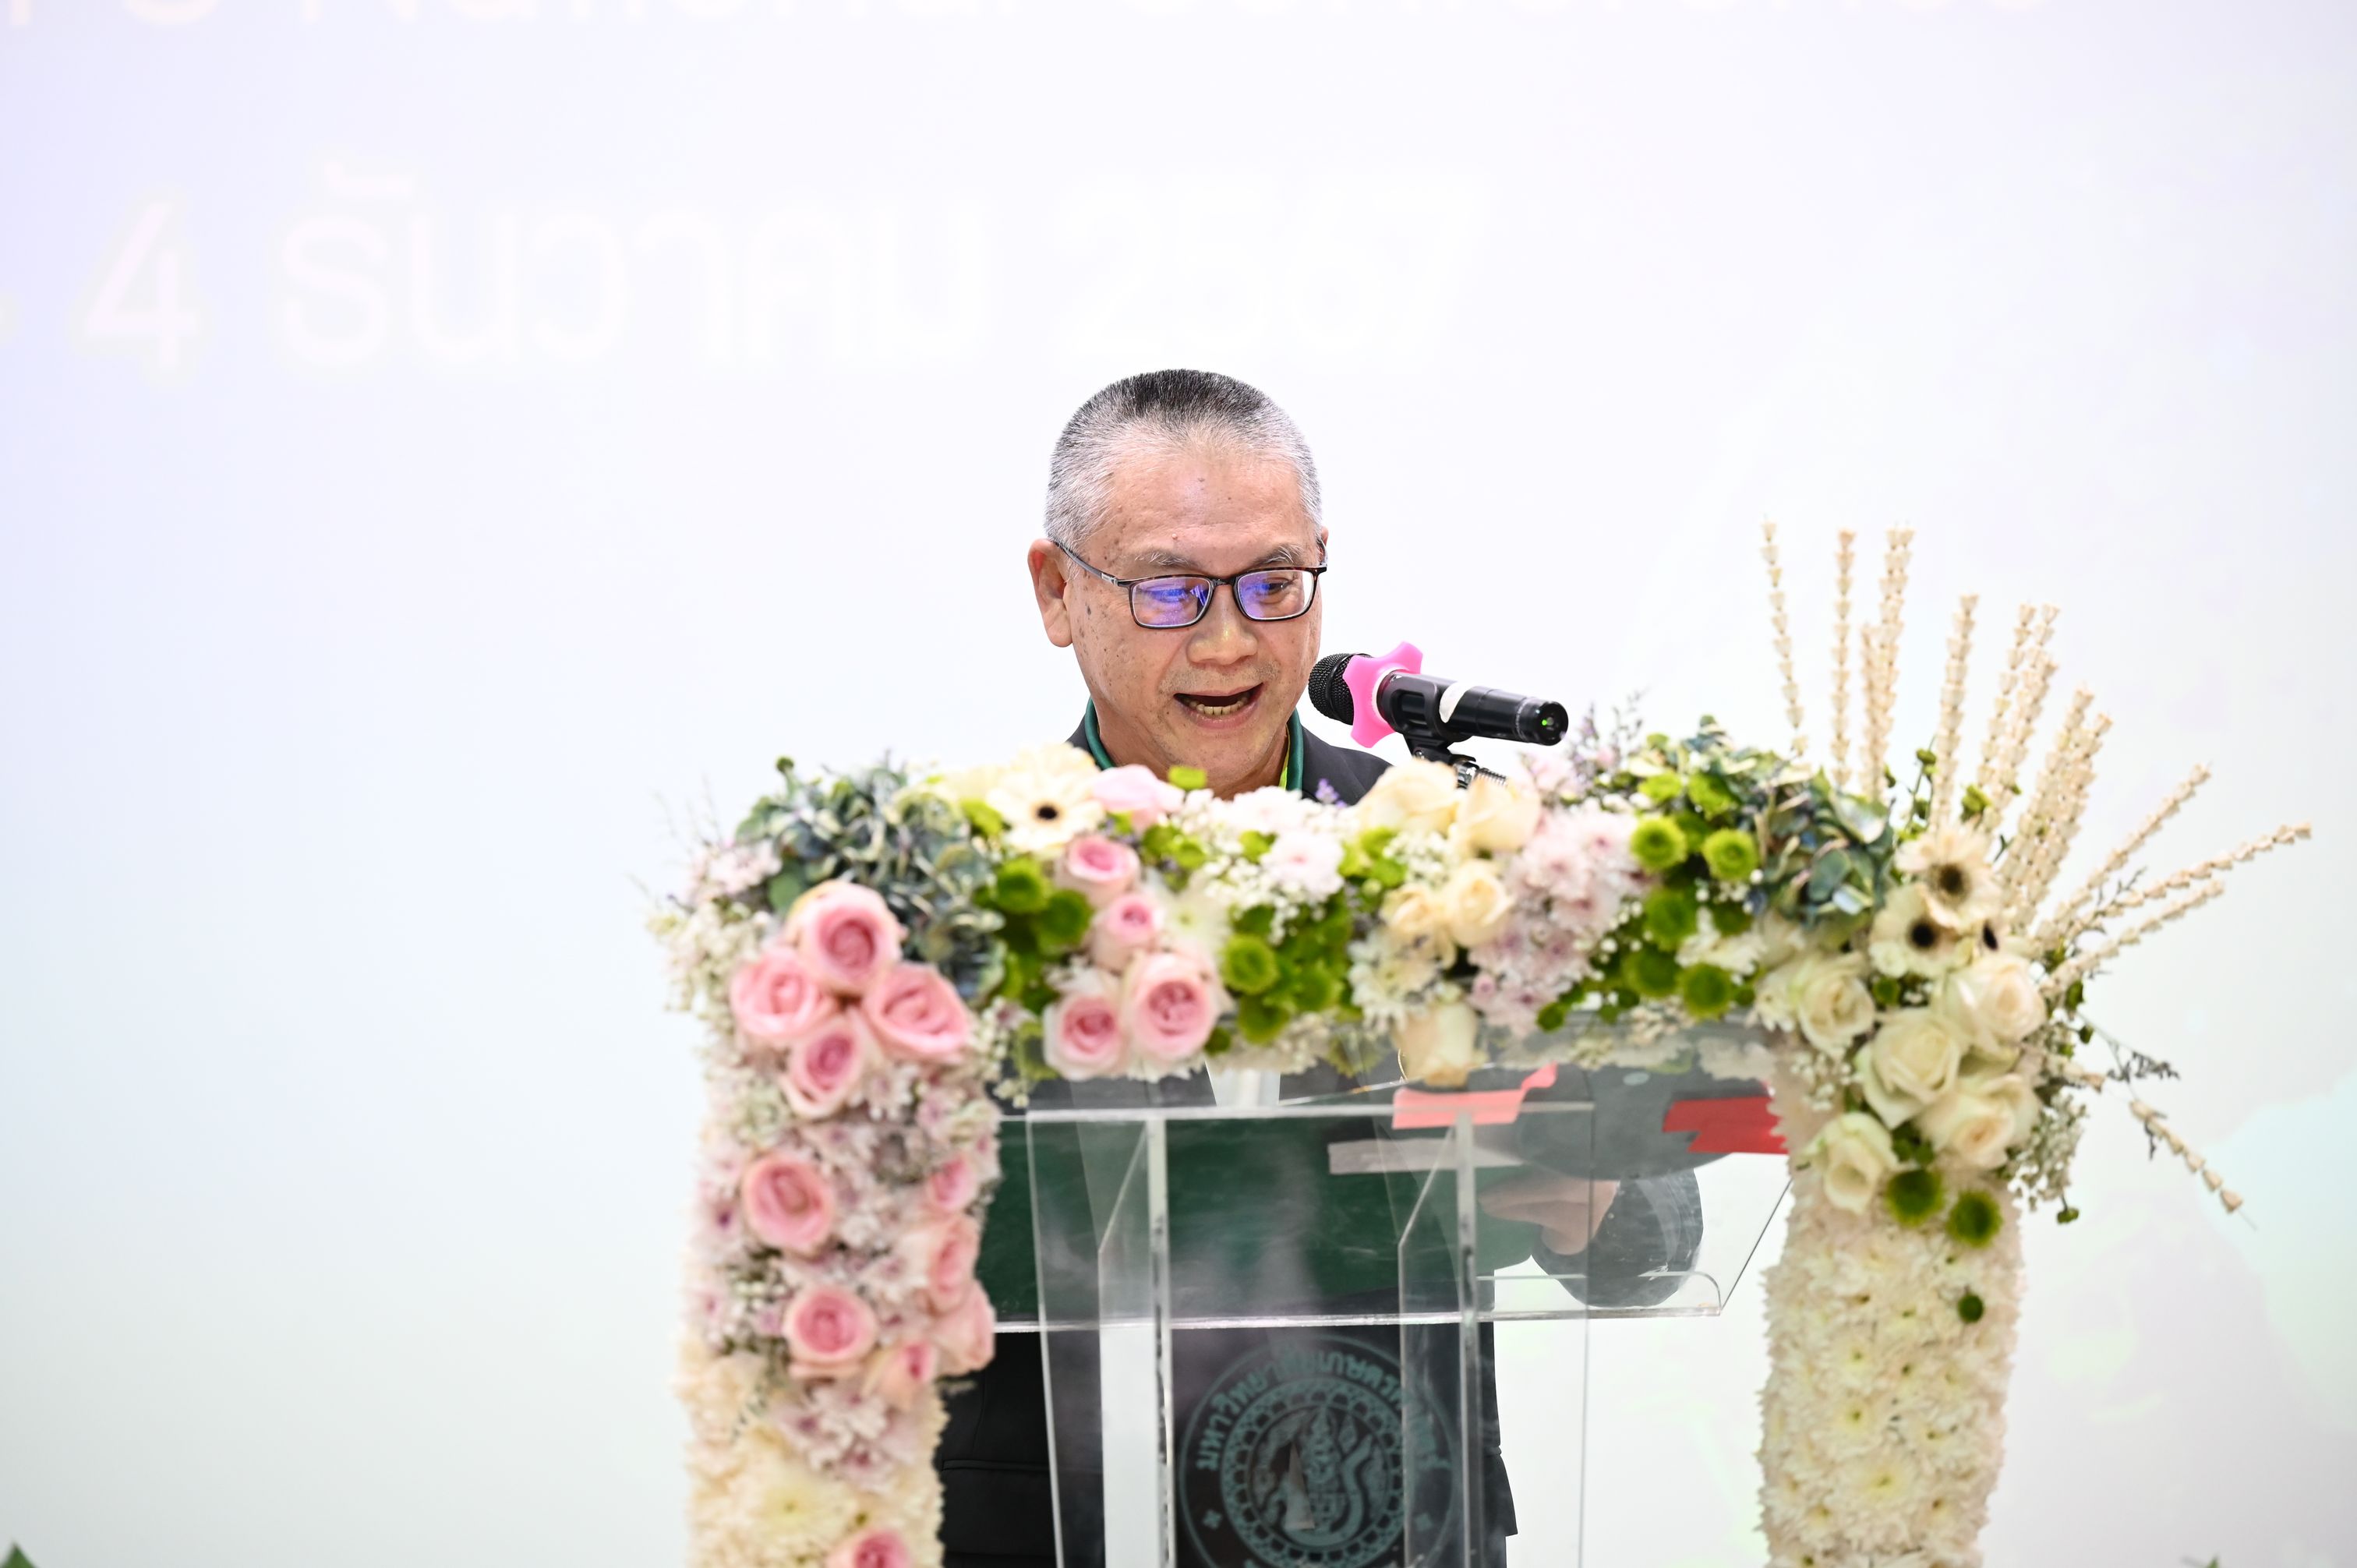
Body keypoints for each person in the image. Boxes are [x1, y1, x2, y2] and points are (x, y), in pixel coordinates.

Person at [934, 369, 1701, 1568]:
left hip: (1402, 1520)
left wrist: (1589, 1194)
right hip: (1057, 1525)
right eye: (1171, 590)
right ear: (1057, 592)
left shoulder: (1454, 844)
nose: (1229, 640)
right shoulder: (960, 885)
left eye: (1274, 583)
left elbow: (1663, 1221)